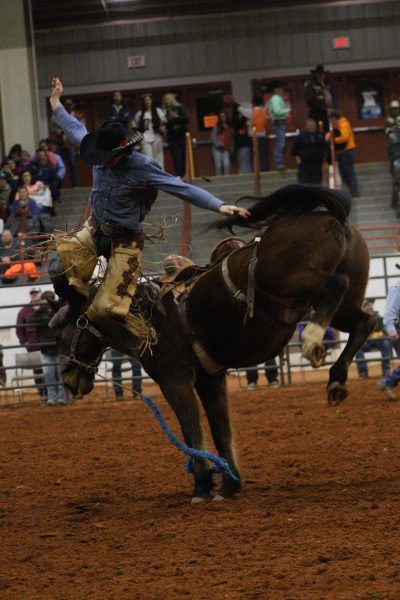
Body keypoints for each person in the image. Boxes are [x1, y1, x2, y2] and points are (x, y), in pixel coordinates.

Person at [49, 77, 248, 343]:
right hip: (94, 228)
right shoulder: (100, 149)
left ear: (122, 152)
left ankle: (142, 337)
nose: (102, 163)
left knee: (109, 309)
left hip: (124, 240)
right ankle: (74, 308)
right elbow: (75, 130)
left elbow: (181, 188)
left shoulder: (143, 167)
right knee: (56, 264)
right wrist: (55, 102)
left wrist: (219, 205)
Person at [28, 291, 67, 406]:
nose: (47, 301)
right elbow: (30, 320)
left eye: (50, 299)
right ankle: (51, 399)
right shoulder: (39, 313)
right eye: (45, 299)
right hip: (46, 350)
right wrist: (44, 312)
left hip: (59, 349)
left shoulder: (59, 310)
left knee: (61, 376)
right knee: (49, 375)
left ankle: (62, 398)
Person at [16, 287, 45, 400]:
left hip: (47, 344)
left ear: (40, 293)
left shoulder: (46, 308)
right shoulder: (24, 311)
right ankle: (42, 392)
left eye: (36, 292)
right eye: (32, 293)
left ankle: (51, 391)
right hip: (33, 346)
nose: (34, 295)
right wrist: (25, 342)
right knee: (38, 370)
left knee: (50, 369)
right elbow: (19, 328)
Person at [354, 299, 392, 379]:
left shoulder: (379, 318)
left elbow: (385, 332)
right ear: (363, 308)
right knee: (357, 348)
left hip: (378, 341)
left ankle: (386, 370)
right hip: (365, 342)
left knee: (385, 343)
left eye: (370, 305)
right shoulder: (359, 320)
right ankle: (363, 372)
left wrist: (382, 336)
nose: (369, 307)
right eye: (367, 306)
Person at [326, 110, 360, 198]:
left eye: (330, 119)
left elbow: (344, 137)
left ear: (334, 118)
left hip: (347, 151)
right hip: (341, 152)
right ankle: (351, 190)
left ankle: (354, 192)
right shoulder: (337, 125)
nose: (330, 122)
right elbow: (332, 133)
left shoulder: (344, 124)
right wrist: (329, 136)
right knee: (343, 173)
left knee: (349, 172)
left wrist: (334, 140)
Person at [50, 97, 80, 187]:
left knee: (72, 164)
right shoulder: (56, 116)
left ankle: (75, 185)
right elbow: (53, 128)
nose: (68, 106)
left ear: (73, 106)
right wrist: (57, 130)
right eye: (66, 104)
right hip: (59, 143)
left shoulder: (76, 117)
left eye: (70, 104)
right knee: (59, 165)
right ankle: (60, 186)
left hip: (70, 143)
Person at [133, 94, 166, 168]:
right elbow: (135, 126)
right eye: (145, 100)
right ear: (143, 102)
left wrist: (162, 127)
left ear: (152, 101)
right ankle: (150, 175)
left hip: (156, 136)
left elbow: (164, 121)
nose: (147, 101)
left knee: (158, 157)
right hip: (145, 137)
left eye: (149, 100)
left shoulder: (158, 111)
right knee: (147, 157)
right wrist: (138, 133)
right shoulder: (140, 113)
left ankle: (160, 174)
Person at [291, 119, 326, 184]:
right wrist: (298, 160)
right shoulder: (301, 137)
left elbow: (324, 147)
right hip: (305, 165)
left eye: (313, 125)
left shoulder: (320, 135)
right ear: (307, 126)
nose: (312, 127)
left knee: (317, 184)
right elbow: (294, 150)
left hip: (317, 165)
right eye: (310, 125)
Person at [163, 93, 189, 178]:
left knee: (183, 153)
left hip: (181, 133)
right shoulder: (164, 111)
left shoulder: (179, 107)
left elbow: (187, 119)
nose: (166, 101)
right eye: (165, 100)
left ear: (172, 99)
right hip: (171, 134)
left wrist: (177, 117)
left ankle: (185, 173)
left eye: (168, 99)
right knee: (175, 154)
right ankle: (178, 174)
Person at [304, 65, 333, 132]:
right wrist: (322, 107)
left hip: (325, 114)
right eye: (319, 74)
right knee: (316, 131)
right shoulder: (311, 85)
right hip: (316, 113)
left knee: (326, 131)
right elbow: (310, 100)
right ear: (316, 74)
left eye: (322, 74)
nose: (321, 76)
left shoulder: (325, 85)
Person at [268, 81, 289, 171]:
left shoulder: (277, 98)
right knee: (281, 143)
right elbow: (277, 111)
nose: (282, 90)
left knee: (281, 143)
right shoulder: (276, 99)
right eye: (281, 88)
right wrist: (286, 110)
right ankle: (279, 163)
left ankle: (280, 162)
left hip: (279, 122)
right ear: (276, 89)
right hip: (279, 122)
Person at [231, 102, 252, 174]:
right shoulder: (235, 118)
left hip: (244, 139)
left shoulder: (244, 117)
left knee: (245, 156)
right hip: (240, 139)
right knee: (241, 156)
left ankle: (246, 170)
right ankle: (242, 170)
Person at [211, 112, 233, 176]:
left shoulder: (229, 127)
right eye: (221, 116)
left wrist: (230, 148)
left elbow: (231, 138)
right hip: (217, 149)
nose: (223, 118)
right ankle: (218, 180)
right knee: (218, 166)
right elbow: (213, 137)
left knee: (227, 165)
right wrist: (219, 144)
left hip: (226, 149)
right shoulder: (217, 126)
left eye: (224, 116)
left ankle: (227, 179)